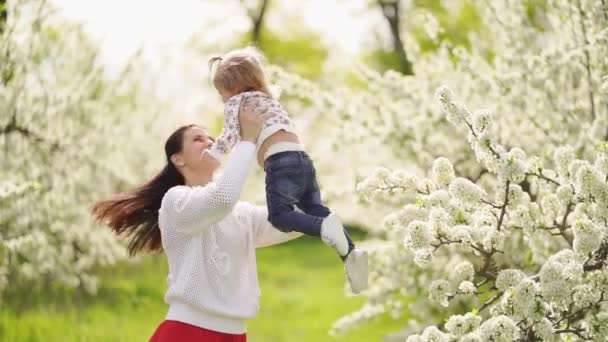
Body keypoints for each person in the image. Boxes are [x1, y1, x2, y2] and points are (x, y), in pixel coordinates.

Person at [92, 102, 302, 341]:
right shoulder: (176, 201)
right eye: (197, 139)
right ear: (178, 160)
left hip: (235, 335)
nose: (210, 142)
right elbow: (221, 198)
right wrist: (247, 141)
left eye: (210, 138)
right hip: (188, 331)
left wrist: (286, 148)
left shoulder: (241, 213)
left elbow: (296, 219)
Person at [207, 47, 368, 293]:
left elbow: (229, 135)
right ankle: (351, 254)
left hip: (280, 162)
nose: (222, 99)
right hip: (303, 160)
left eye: (221, 92)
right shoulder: (270, 99)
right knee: (314, 209)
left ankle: (325, 228)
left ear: (234, 85)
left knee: (280, 216)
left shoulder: (237, 102)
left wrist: (213, 156)